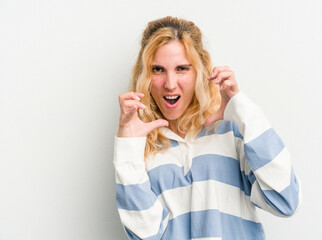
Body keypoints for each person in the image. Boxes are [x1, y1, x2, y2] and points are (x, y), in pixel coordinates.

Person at [113, 16, 302, 240]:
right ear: (146, 76)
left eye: (182, 68)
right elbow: (145, 235)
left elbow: (286, 200)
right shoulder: (140, 148)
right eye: (158, 70)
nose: (170, 83)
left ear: (199, 72)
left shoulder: (231, 131)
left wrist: (242, 110)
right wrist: (128, 148)